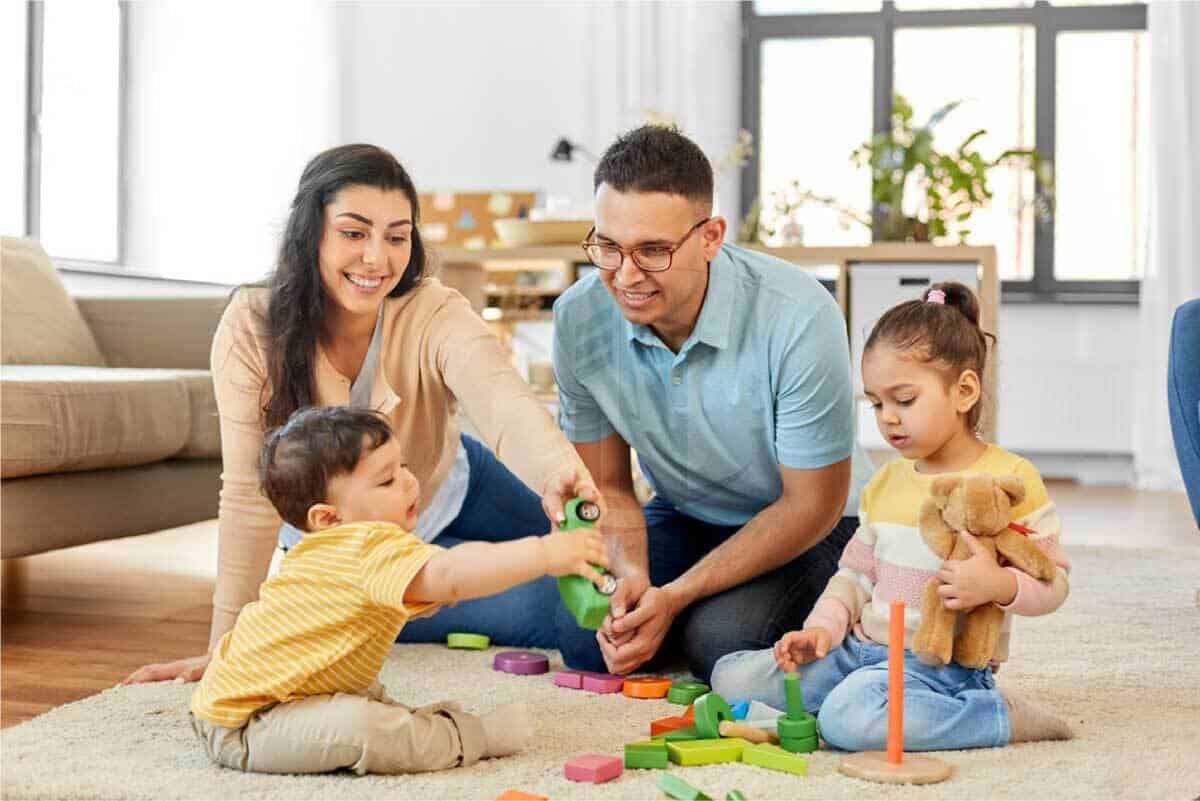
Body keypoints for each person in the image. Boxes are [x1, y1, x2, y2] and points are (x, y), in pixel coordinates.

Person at [125, 144, 599, 685]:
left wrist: (557, 470)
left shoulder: (432, 309)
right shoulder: (250, 327)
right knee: (557, 610)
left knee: (603, 553)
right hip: (357, 550)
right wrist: (227, 648)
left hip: (452, 482)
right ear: (311, 235)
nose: (377, 258)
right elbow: (247, 496)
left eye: (397, 237)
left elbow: (503, 402)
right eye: (354, 233)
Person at [551, 125, 875, 682]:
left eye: (653, 250)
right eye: (608, 246)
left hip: (817, 522)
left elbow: (811, 506)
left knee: (718, 642)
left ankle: (848, 612)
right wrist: (632, 578)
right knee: (585, 634)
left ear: (710, 236)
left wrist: (673, 596)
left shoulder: (798, 314)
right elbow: (609, 484)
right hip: (686, 512)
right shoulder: (579, 319)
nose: (625, 275)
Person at [710, 282, 1074, 751]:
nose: (888, 419)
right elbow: (854, 577)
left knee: (850, 723)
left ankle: (996, 716)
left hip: (939, 666)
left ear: (964, 391)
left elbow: (1055, 584)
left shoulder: (1010, 478)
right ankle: (850, 699)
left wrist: (999, 586)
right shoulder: (884, 483)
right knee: (729, 676)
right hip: (859, 650)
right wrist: (822, 629)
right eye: (877, 403)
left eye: (904, 401)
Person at [190, 406, 609, 775]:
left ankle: (412, 722)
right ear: (328, 518)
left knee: (365, 706)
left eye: (404, 466)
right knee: (363, 730)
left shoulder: (322, 552)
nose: (410, 483)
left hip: (267, 697)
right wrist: (544, 553)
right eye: (387, 480)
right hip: (249, 724)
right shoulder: (365, 545)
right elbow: (450, 573)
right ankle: (470, 737)